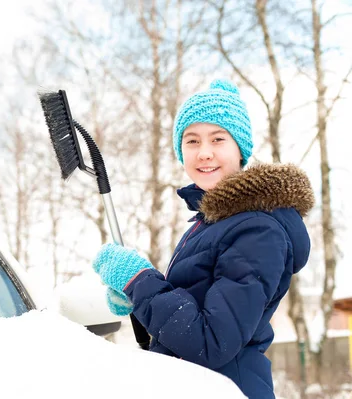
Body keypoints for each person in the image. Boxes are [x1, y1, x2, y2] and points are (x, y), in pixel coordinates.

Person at [92, 79, 315, 399]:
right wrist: (137, 297)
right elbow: (192, 310)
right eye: (192, 141)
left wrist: (140, 280)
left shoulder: (257, 231)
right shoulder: (213, 223)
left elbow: (212, 342)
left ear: (241, 148)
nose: (204, 153)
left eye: (218, 139)